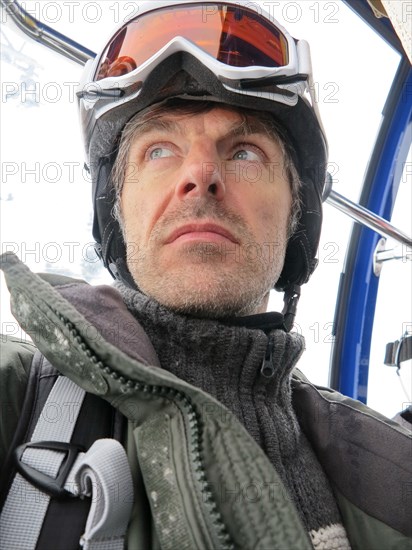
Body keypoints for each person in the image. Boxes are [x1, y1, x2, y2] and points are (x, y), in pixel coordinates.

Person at [0, 2, 410, 549]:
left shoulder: (395, 470)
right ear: (115, 209)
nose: (200, 175)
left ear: (298, 215)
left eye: (243, 151)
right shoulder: (15, 398)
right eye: (160, 150)